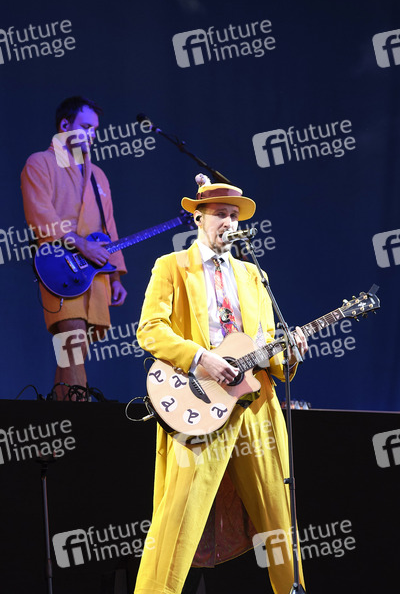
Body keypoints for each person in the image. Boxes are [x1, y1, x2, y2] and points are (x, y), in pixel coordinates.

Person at [134, 178, 308, 594]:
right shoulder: (171, 266)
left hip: (256, 405)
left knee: (279, 516)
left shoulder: (254, 275)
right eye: (220, 214)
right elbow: (150, 329)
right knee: (179, 514)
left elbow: (269, 346)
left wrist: (291, 353)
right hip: (200, 402)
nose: (229, 222)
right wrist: (200, 357)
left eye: (234, 216)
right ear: (199, 218)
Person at [21, 96, 127, 401]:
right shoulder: (39, 162)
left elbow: (109, 227)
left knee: (74, 350)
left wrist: (116, 276)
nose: (92, 135)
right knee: (73, 340)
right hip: (59, 265)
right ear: (65, 125)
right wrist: (80, 244)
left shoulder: (98, 176)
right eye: (85, 127)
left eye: (94, 129)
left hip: (95, 272)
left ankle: (62, 415)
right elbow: (40, 215)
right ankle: (79, 414)